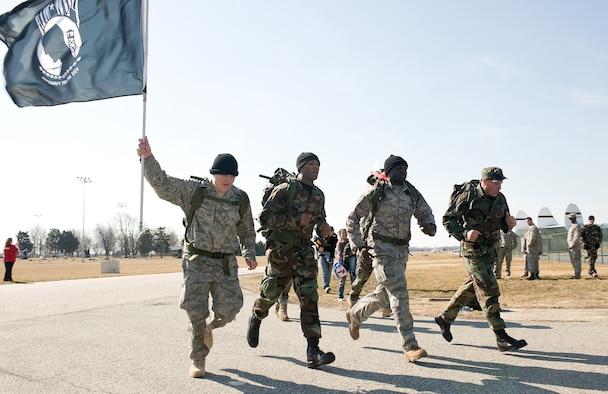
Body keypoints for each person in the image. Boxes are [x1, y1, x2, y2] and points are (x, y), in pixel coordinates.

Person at [137, 136, 258, 378]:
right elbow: (163, 184)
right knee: (196, 312)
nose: (228, 179)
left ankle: (209, 329)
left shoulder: (240, 199)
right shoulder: (195, 191)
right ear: (214, 174)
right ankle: (198, 359)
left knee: (231, 309)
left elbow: (246, 230)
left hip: (225, 264)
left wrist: (249, 252)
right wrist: (148, 159)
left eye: (232, 175)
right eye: (223, 174)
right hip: (197, 262)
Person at [247, 152, 335, 369]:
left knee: (309, 297)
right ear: (301, 167)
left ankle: (313, 351)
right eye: (312, 164)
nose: (316, 168)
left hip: (305, 251)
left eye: (318, 164)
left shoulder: (318, 194)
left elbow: (319, 219)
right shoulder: (285, 190)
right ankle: (257, 316)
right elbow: (265, 218)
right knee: (271, 293)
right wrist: (295, 220)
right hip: (282, 250)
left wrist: (323, 228)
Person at [345, 155, 436, 363]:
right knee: (399, 293)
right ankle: (410, 345)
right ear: (388, 171)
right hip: (381, 249)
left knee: (386, 294)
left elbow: (425, 211)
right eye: (399, 168)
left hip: (402, 249)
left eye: (406, 168)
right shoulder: (376, 192)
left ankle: (355, 314)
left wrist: (429, 224)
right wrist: (359, 245)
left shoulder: (411, 192)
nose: (403, 171)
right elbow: (352, 218)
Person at [436, 167, 527, 352]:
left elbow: (503, 224)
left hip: (490, 251)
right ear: (485, 182)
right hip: (472, 251)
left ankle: (445, 318)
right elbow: (448, 220)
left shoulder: (501, 199)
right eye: (496, 183)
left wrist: (509, 225)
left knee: (473, 286)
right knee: (489, 289)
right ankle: (501, 336)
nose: (499, 187)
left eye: (501, 183)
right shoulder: (468, 196)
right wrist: (464, 233)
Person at [315, 226, 337, 293]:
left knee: (329, 272)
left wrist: (323, 246)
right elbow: (317, 245)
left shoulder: (334, 238)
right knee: (325, 272)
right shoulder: (321, 237)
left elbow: (331, 247)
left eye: (330, 231)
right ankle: (326, 287)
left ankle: (327, 285)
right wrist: (319, 247)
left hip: (330, 256)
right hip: (322, 256)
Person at [336, 228, 357, 301]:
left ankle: (354, 296)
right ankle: (340, 296)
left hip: (351, 260)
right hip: (344, 262)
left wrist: (351, 254)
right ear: (340, 234)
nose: (344, 234)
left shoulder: (350, 241)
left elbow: (354, 250)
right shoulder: (339, 243)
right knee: (343, 279)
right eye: (342, 233)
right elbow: (339, 253)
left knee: (353, 277)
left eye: (345, 233)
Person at [567, 213, 583, 279]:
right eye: (570, 218)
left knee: (576, 260)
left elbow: (576, 236)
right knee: (573, 261)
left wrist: (572, 244)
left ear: (574, 218)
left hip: (575, 247)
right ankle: (576, 273)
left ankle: (577, 274)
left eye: (571, 218)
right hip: (571, 247)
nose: (570, 220)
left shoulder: (576, 226)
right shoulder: (572, 226)